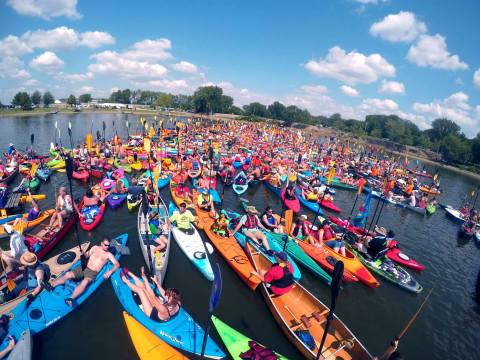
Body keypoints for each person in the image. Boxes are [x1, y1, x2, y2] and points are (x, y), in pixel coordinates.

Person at [52, 237, 119, 306]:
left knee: (85, 282)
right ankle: (52, 285)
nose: (107, 247)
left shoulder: (108, 254)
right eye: (105, 245)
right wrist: (83, 253)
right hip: (85, 267)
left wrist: (110, 271)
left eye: (108, 245)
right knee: (68, 274)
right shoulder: (95, 248)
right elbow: (87, 255)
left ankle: (70, 299)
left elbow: (117, 264)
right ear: (101, 243)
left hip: (92, 272)